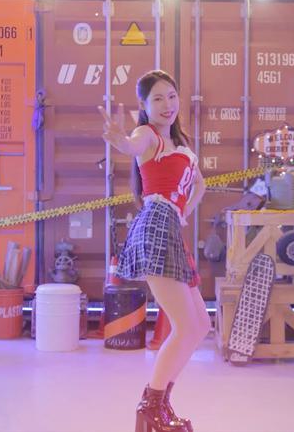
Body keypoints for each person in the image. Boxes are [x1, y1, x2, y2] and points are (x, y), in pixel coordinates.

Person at [98, 70, 211, 432]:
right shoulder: (148, 135)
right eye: (158, 98)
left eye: (172, 96)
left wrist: (183, 211)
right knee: (185, 326)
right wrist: (120, 140)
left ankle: (161, 403)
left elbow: (200, 186)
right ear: (145, 106)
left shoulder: (183, 147)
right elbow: (132, 145)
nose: (167, 105)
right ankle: (150, 408)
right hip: (154, 227)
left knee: (201, 325)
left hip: (170, 227)